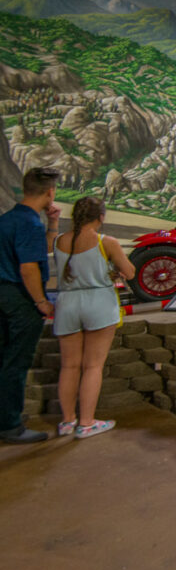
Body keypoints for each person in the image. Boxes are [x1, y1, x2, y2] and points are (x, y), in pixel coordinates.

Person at [53, 197, 134, 439]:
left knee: (69, 366)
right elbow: (129, 272)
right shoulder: (106, 241)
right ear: (101, 217)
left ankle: (67, 421)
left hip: (67, 303)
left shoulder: (59, 240)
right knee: (93, 366)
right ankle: (86, 423)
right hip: (98, 302)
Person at [0, 166, 61, 444]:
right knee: (16, 362)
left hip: (4, 294)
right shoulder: (29, 223)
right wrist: (41, 301)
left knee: (5, 358)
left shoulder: (9, 218)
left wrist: (53, 224)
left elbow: (38, 249)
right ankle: (10, 426)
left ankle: (6, 415)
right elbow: (28, 268)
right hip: (20, 298)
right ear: (50, 192)